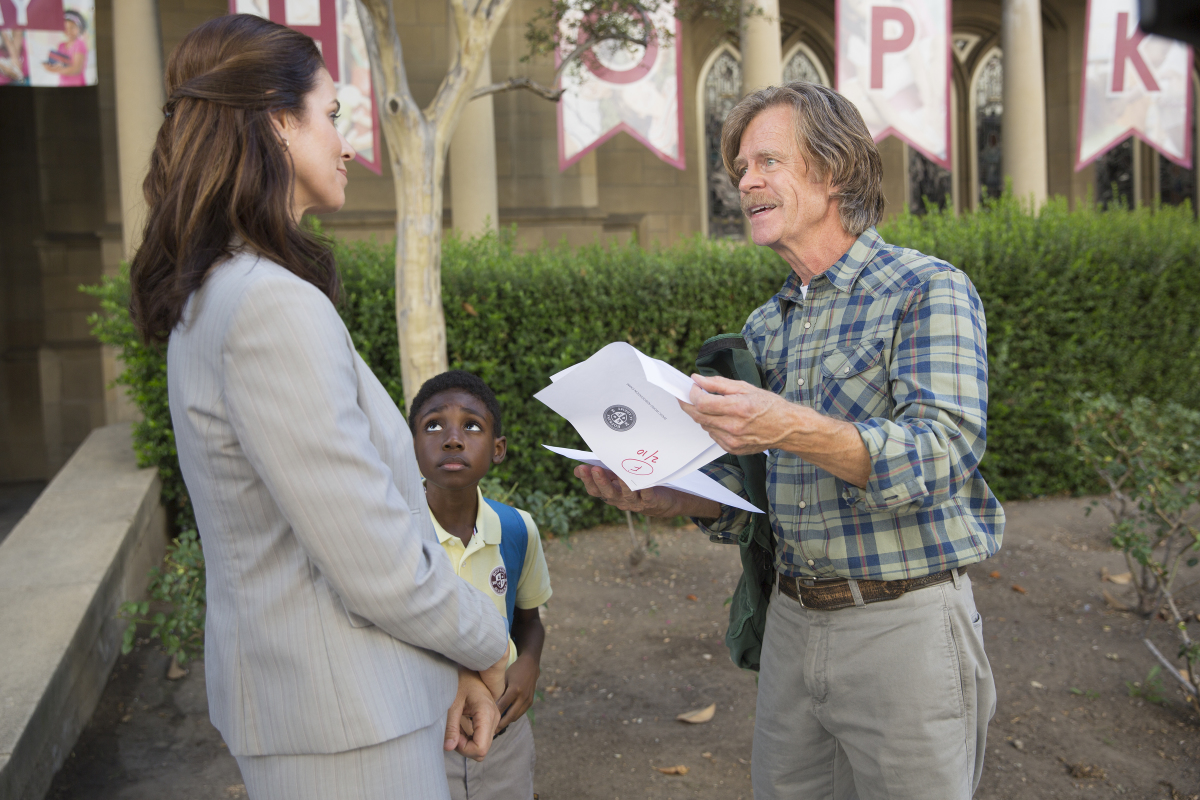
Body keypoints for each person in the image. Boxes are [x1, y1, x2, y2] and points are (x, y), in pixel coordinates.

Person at [574, 81, 1004, 800]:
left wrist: (787, 425)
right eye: (741, 169)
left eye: (766, 162)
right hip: (792, 625)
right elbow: (757, 503)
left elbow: (943, 453)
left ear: (833, 170)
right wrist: (666, 494)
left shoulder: (926, 291)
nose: (745, 182)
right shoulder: (765, 326)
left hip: (904, 628)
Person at [127, 15, 509, 800]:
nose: (346, 143)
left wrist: (456, 662)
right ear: (276, 123)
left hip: (331, 708)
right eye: (331, 115)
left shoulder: (222, 291)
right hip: (343, 725)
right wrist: (487, 639)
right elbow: (371, 557)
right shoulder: (266, 305)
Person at [408, 370, 553, 800]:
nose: (453, 438)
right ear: (410, 445)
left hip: (504, 739)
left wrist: (528, 663)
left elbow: (529, 619)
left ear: (498, 448)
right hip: (419, 737)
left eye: (472, 425)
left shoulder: (517, 528)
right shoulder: (392, 533)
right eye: (433, 425)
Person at [44, 9, 88, 87]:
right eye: (66, 27)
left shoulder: (79, 44)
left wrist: (53, 70)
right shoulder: (61, 45)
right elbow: (59, 64)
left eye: (72, 27)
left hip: (77, 86)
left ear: (79, 28)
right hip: (63, 85)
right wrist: (50, 65)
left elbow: (76, 69)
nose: (69, 31)